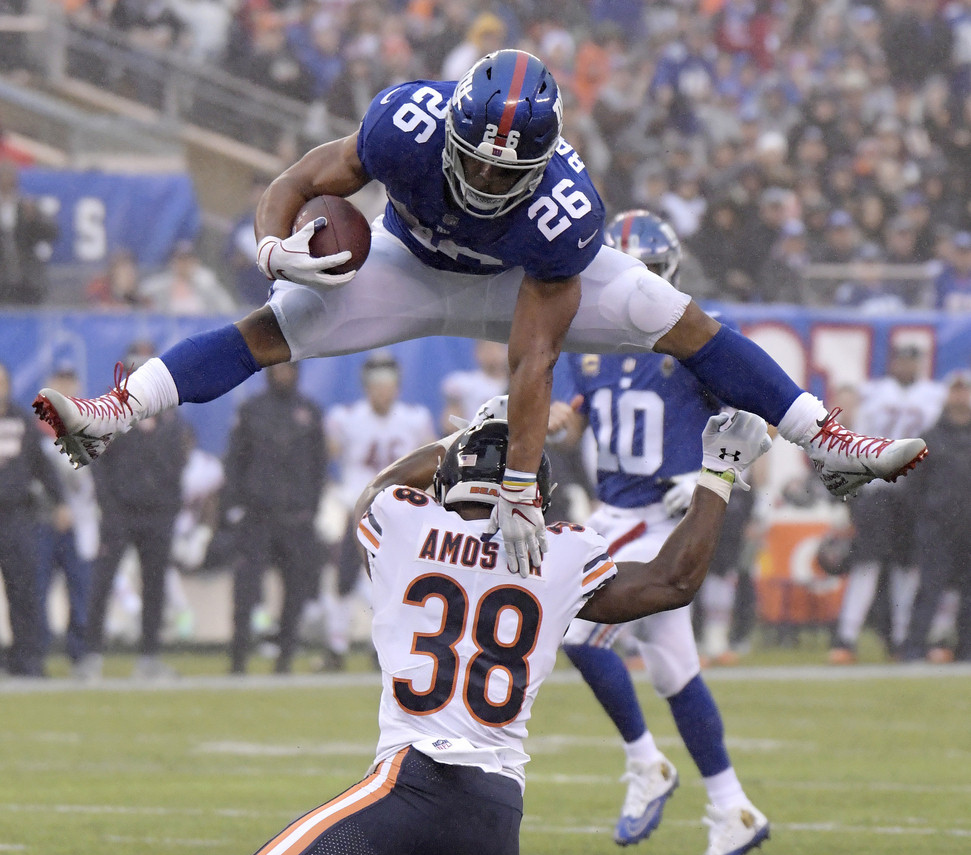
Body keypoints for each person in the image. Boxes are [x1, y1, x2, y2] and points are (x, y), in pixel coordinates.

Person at [35, 48, 928, 582]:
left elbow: (530, 363)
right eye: (480, 161)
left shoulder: (562, 211)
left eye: (511, 173)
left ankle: (824, 439)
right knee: (277, 322)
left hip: (516, 280)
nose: (490, 180)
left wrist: (516, 490)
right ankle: (120, 409)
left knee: (671, 311)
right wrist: (273, 247)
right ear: (451, 129)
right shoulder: (405, 124)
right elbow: (299, 181)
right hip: (409, 262)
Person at [210, 408, 772, 855]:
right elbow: (674, 581)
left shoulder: (402, 522)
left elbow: (375, 493)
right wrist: (718, 475)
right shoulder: (563, 553)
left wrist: (457, 437)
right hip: (494, 812)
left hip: (410, 789)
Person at [547, 210, 769, 855]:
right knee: (673, 670)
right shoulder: (586, 343)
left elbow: (755, 418)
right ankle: (731, 808)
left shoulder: (692, 340)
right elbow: (569, 412)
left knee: (576, 628)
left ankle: (646, 763)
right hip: (615, 510)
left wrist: (702, 477)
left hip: (663, 516)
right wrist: (541, 416)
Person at [828, 338, 947, 664]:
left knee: (906, 568)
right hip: (877, 490)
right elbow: (843, 420)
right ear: (893, 361)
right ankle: (846, 637)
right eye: (902, 360)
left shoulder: (935, 395)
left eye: (912, 360)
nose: (906, 366)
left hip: (913, 491)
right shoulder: (872, 391)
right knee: (867, 563)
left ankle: (901, 639)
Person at [76, 342, 187, 683]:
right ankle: (90, 655)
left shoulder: (170, 417)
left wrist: (168, 505)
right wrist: (110, 506)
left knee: (154, 585)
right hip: (121, 513)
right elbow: (97, 463)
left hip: (157, 514)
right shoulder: (111, 414)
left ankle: (149, 656)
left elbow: (177, 464)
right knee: (103, 582)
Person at [322, 352, 435, 666]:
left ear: (397, 387)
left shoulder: (414, 418)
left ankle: (385, 648)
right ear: (366, 387)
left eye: (387, 385)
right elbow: (327, 452)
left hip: (398, 514)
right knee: (344, 579)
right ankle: (336, 645)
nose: (382, 391)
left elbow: (432, 461)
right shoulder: (345, 418)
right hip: (356, 508)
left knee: (396, 583)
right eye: (376, 384)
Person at [223, 362, 326, 675]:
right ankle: (239, 657)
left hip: (296, 516)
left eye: (288, 368)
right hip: (258, 514)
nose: (283, 373)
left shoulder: (309, 411)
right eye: (278, 368)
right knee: (246, 589)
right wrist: (235, 504)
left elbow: (318, 465)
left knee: (295, 590)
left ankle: (285, 657)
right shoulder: (252, 410)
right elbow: (235, 460)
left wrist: (311, 506)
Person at [0, 362, 68, 676]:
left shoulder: (23, 423)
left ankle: (27, 659)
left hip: (15, 516)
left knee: (23, 590)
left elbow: (43, 467)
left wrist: (61, 502)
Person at [902, 370, 971, 663]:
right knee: (929, 589)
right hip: (937, 527)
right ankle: (914, 648)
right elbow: (912, 486)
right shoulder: (929, 438)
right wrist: (928, 515)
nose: (960, 396)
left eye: (964, 390)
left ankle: (966, 650)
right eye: (955, 390)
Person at [34, 363, 100, 668]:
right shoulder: (33, 427)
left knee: (81, 591)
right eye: (59, 381)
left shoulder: (91, 424)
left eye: (69, 381)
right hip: (43, 522)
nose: (65, 387)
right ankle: (35, 655)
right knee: (37, 590)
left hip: (82, 523)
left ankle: (79, 653)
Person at [0, 159, 59, 306]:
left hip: (29, 281)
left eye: (10, 178)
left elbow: (52, 233)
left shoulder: (27, 205)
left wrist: (34, 219)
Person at [439, 338, 510, 432]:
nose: (492, 353)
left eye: (496, 348)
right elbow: (450, 424)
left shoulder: (514, 385)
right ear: (477, 352)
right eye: (487, 348)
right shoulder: (463, 383)